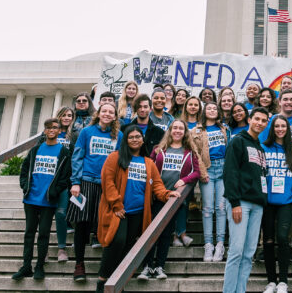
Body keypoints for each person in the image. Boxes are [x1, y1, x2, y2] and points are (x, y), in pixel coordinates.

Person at [94, 127, 179, 292]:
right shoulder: (115, 157)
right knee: (116, 241)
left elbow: (158, 186)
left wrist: (168, 194)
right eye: (131, 137)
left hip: (139, 213)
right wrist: (116, 204)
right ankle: (102, 280)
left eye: (137, 137)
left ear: (142, 140)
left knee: (128, 247)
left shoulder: (149, 162)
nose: (134, 139)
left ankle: (118, 281)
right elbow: (107, 181)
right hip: (119, 211)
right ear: (126, 140)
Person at [138, 120, 201, 280]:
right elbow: (149, 167)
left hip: (175, 199)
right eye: (175, 128)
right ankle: (146, 267)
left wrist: (185, 180)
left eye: (181, 128)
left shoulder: (190, 151)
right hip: (157, 196)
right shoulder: (158, 149)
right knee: (151, 233)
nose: (178, 131)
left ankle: (159, 266)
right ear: (170, 130)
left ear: (185, 131)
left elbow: (197, 172)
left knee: (166, 234)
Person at [12, 119, 71, 280]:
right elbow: (24, 170)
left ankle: (39, 267)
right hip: (31, 199)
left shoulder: (64, 152)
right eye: (48, 128)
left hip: (48, 200)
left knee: (44, 234)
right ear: (45, 131)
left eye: (55, 128)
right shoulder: (36, 149)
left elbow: (65, 177)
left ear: (60, 131)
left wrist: (55, 192)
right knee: (29, 233)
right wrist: (25, 186)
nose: (51, 130)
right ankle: (26, 266)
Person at [67, 103, 119, 282]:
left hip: (107, 185)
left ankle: (104, 268)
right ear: (98, 113)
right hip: (86, 182)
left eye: (111, 112)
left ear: (114, 116)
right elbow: (77, 156)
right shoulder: (86, 132)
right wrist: (75, 182)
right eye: (104, 111)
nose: (107, 114)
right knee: (81, 224)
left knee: (104, 224)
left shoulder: (118, 135)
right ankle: (79, 265)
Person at [222, 107, 270, 293]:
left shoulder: (260, 148)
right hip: (240, 203)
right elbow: (230, 173)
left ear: (266, 124)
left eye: (263, 120)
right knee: (236, 251)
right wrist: (234, 203)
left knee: (249, 253)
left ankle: (240, 290)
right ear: (249, 119)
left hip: (257, 205)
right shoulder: (238, 142)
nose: (259, 122)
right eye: (256, 118)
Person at [261, 115, 292, 293]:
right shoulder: (264, 147)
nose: (280, 129)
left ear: (288, 129)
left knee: (283, 238)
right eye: (277, 126)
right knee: (268, 241)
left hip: (286, 201)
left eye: (283, 126)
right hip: (267, 202)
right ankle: (271, 281)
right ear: (272, 128)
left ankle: (283, 281)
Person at [191, 102, 230, 262]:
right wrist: (202, 171)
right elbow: (195, 152)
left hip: (223, 169)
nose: (212, 110)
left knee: (221, 208)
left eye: (215, 108)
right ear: (204, 112)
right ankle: (208, 245)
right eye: (209, 108)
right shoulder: (197, 130)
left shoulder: (224, 129)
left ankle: (220, 244)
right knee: (207, 208)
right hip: (208, 169)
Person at [51, 106, 78, 262]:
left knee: (61, 214)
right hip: (48, 180)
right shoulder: (49, 133)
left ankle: (62, 248)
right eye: (64, 115)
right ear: (58, 116)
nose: (67, 118)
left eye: (69, 115)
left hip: (66, 180)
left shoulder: (73, 136)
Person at [122, 94, 166, 159]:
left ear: (150, 109)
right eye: (139, 107)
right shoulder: (124, 129)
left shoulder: (159, 133)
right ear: (136, 108)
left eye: (145, 107)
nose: (142, 109)